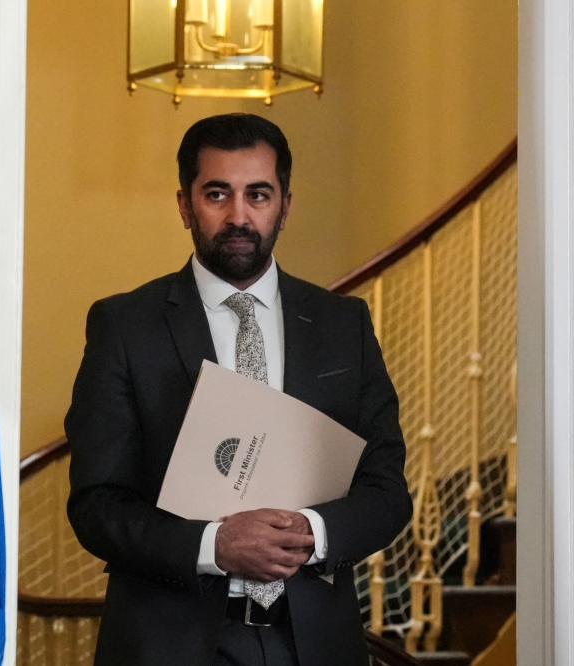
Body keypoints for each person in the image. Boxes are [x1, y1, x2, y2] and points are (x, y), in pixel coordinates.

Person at [65, 113, 411, 666]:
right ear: (185, 205)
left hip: (315, 645)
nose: (239, 216)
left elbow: (387, 489)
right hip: (171, 646)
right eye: (217, 194)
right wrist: (214, 546)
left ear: (285, 207)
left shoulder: (344, 324)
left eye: (258, 194)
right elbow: (97, 505)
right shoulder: (125, 326)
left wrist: (310, 533)